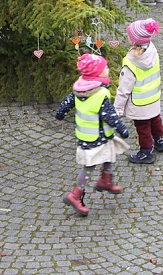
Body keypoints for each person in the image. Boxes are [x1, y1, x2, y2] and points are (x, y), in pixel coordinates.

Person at [56, 54, 130, 216]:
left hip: (86, 136)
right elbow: (110, 116)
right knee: (89, 167)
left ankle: (105, 180)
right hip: (98, 137)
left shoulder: (80, 89)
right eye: (105, 68)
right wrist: (123, 129)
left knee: (109, 155)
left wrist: (60, 113)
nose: (108, 69)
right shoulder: (100, 94)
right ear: (98, 74)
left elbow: (67, 103)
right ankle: (75, 194)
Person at [115, 19, 163, 164]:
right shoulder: (152, 50)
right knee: (155, 120)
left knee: (143, 127)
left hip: (139, 102)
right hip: (154, 96)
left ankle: (146, 151)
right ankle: (159, 141)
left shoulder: (130, 62)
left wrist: (117, 109)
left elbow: (123, 90)